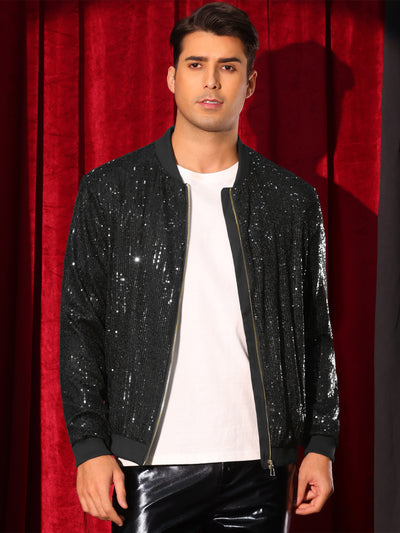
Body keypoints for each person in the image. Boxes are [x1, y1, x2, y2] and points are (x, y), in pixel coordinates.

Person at [60, 3, 339, 531]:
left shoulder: (291, 201)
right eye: (196, 64)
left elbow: (315, 330)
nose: (211, 81)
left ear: (250, 83)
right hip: (148, 466)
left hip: (260, 467)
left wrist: (322, 443)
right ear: (172, 77)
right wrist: (90, 445)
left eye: (228, 67)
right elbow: (81, 324)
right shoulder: (111, 190)